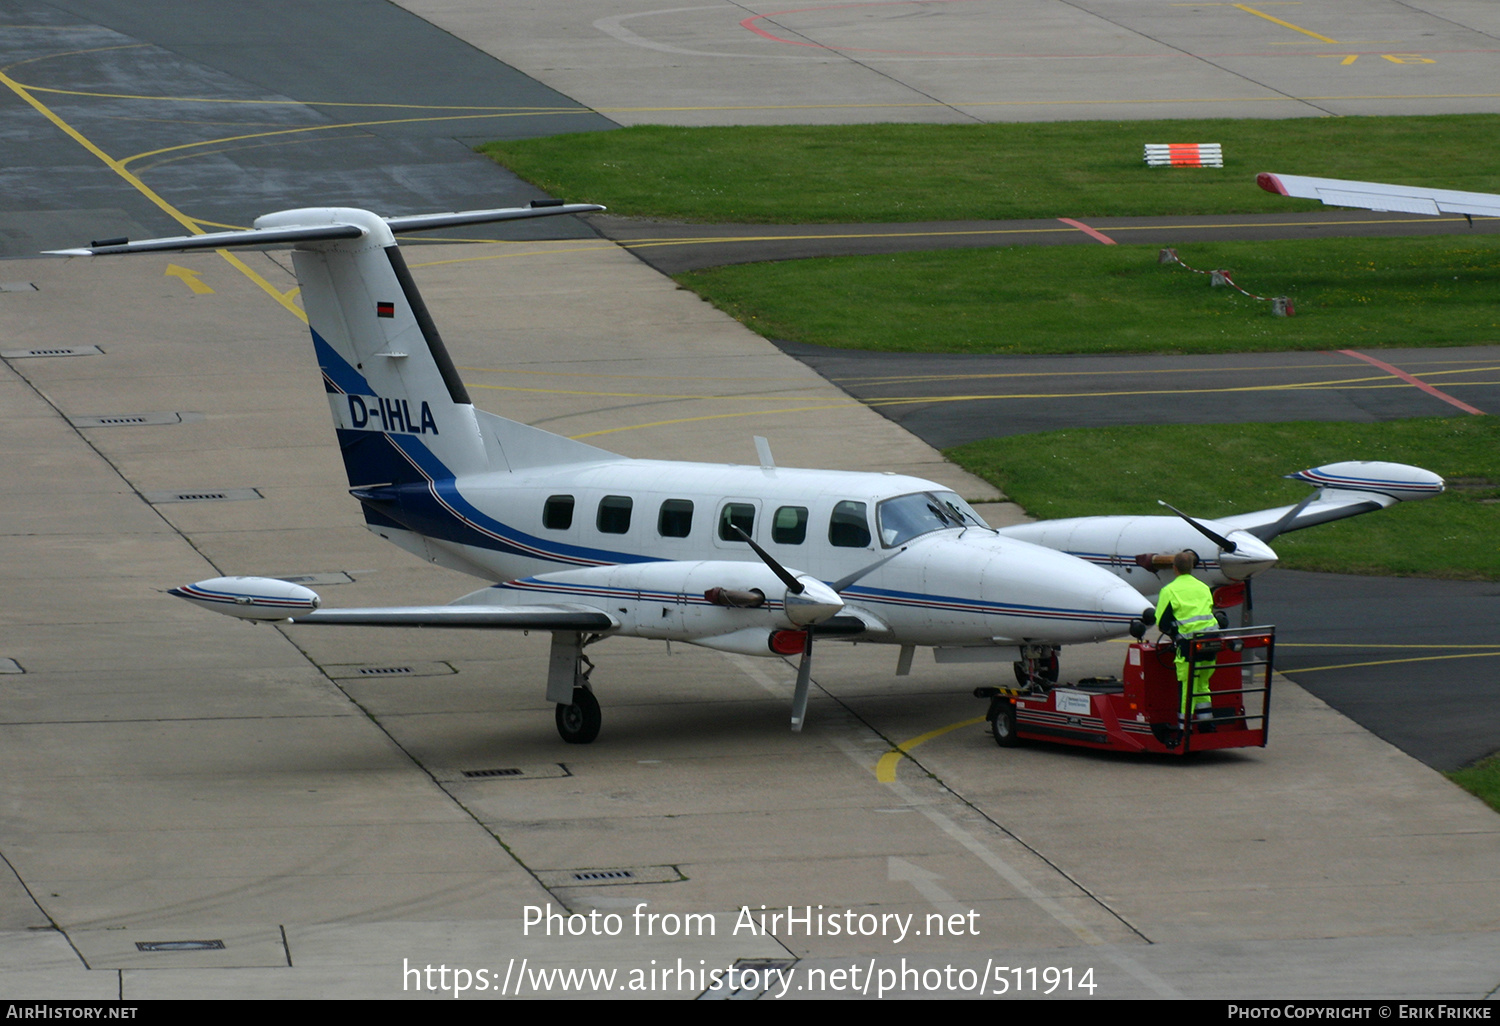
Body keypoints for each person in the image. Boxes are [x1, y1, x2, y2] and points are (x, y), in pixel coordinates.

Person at [1155, 550, 1219, 727]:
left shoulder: (1169, 590)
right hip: (1211, 643)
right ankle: (1207, 726)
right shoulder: (1204, 587)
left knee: (1186, 689)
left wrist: (1174, 632)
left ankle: (1185, 730)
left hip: (1188, 647)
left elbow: (1162, 623)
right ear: (1192, 567)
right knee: (1202, 685)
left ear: (1174, 568)